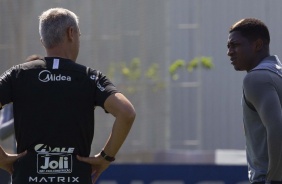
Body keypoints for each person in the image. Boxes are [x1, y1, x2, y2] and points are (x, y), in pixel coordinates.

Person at [0, 7, 136, 184]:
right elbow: (126, 113)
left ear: (43, 41)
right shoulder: (90, 77)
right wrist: (106, 157)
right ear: (71, 33)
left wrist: (1, 157)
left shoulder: (17, 75)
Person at [227, 18, 282, 183]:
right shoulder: (277, 74)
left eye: (235, 45)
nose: (229, 52)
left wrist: (274, 179)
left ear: (257, 45)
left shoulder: (256, 78)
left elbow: (278, 129)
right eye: (228, 47)